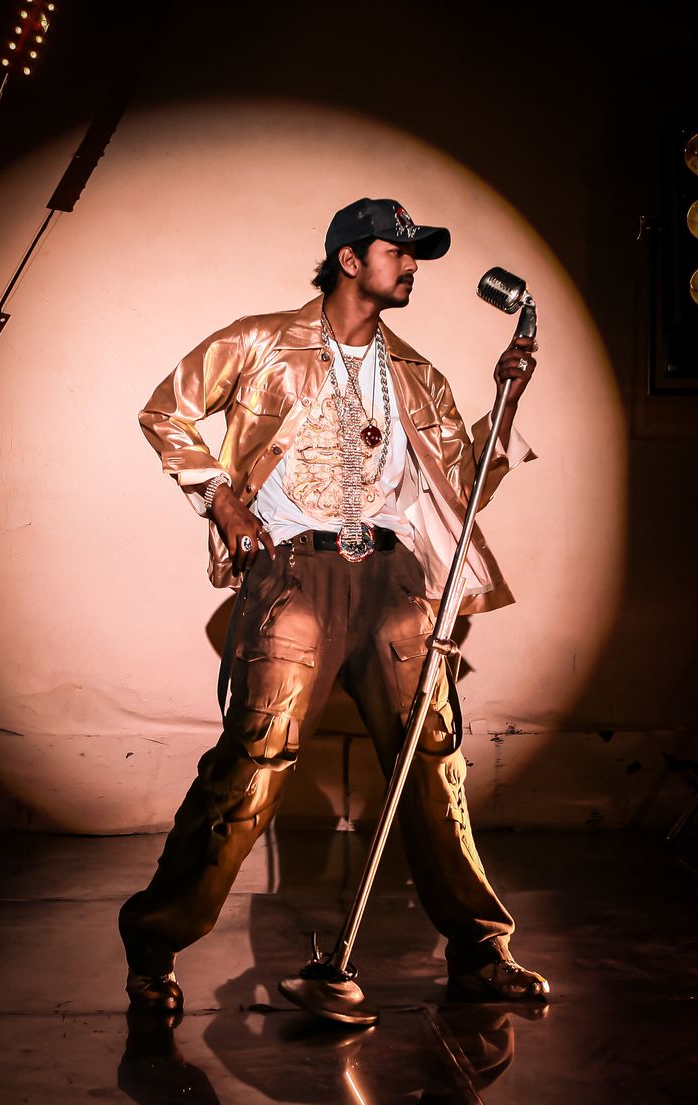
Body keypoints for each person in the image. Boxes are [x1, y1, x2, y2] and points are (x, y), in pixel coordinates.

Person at [119, 197, 550, 1013]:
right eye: (401, 251)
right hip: (296, 573)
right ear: (350, 259)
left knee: (433, 763)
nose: (413, 265)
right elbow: (165, 411)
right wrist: (223, 500)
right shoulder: (259, 342)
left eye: (417, 254)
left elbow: (462, 490)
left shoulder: (419, 375)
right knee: (253, 763)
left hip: (394, 582)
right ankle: (154, 942)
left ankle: (481, 951)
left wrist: (509, 401)